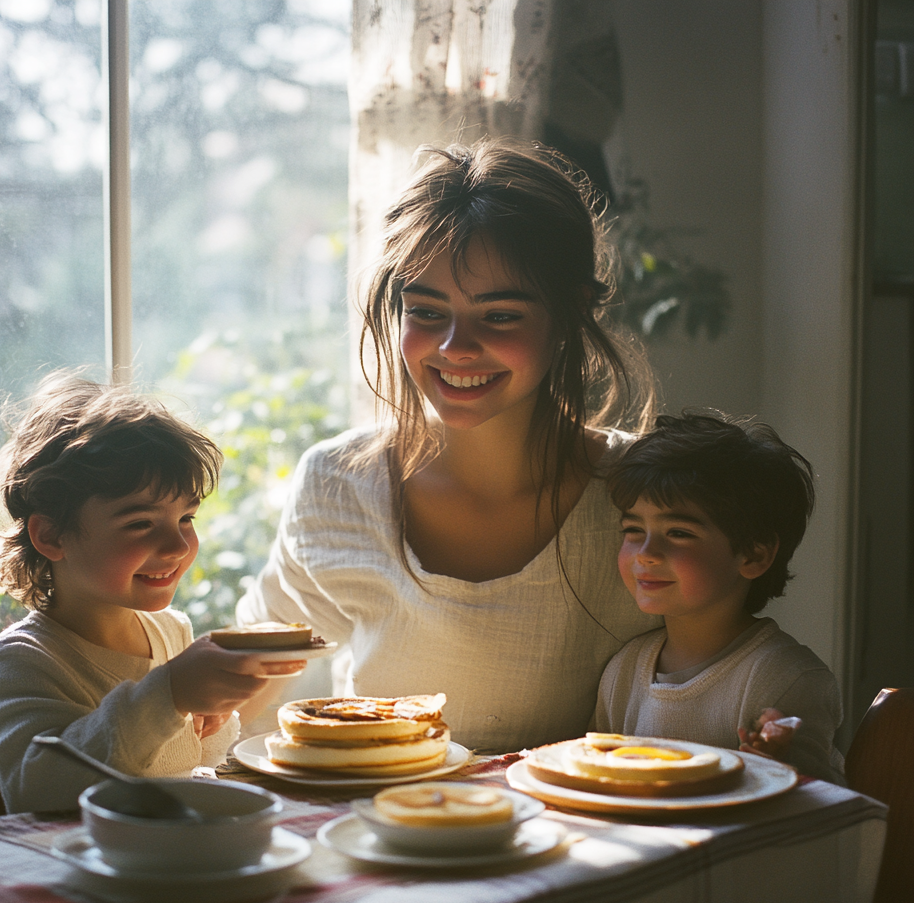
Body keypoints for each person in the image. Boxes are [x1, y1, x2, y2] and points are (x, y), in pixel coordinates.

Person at [238, 140, 659, 753]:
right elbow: (248, 669)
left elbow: (712, 678)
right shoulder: (337, 484)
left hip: (581, 840)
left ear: (571, 315)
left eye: (501, 316)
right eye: (427, 312)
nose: (456, 347)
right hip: (379, 833)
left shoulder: (643, 497)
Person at [0, 374, 295, 812]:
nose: (179, 546)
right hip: (78, 868)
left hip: (166, 861)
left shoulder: (171, 632)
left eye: (187, 519)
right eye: (141, 523)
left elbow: (183, 764)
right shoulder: (20, 664)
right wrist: (170, 694)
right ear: (51, 535)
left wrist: (211, 715)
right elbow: (40, 789)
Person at [593, 411, 846, 783]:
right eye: (634, 529)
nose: (646, 553)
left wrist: (775, 769)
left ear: (754, 555)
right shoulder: (624, 670)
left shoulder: (784, 677)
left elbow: (820, 818)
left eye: (678, 532)